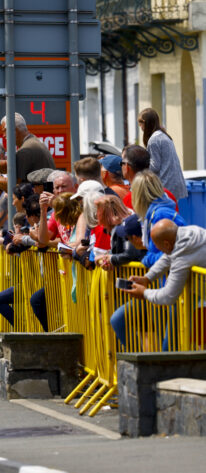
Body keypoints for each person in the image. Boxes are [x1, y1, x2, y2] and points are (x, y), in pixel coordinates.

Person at [114, 220, 206, 351]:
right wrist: (147, 278)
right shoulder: (188, 232)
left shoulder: (182, 256)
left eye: (159, 247)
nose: (158, 251)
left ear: (167, 244)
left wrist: (144, 293)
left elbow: (168, 296)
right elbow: (167, 256)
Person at [0, 112, 55, 191]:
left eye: (4, 131)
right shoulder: (32, 141)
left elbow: (12, 187)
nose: (3, 135)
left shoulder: (25, 150)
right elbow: (9, 166)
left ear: (14, 130)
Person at [131, 170, 185, 268]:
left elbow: (169, 254)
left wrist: (146, 260)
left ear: (138, 195)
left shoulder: (160, 214)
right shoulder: (155, 213)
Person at [139, 108, 187, 200]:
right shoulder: (163, 135)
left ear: (146, 123)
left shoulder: (154, 140)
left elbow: (155, 167)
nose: (140, 127)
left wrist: (141, 168)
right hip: (175, 186)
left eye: (141, 123)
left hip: (165, 186)